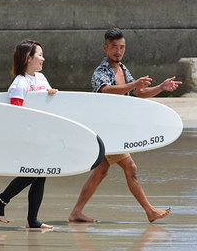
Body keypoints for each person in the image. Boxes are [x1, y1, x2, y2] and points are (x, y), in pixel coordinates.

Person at [69, 27, 182, 223]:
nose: (118, 51)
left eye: (122, 47)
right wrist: (133, 85)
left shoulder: (123, 68)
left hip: (117, 129)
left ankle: (76, 212)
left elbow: (138, 93)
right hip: (105, 129)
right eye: (114, 47)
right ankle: (149, 211)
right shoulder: (100, 71)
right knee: (130, 167)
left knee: (103, 170)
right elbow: (105, 91)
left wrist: (161, 88)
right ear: (105, 48)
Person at [0, 39, 58, 229]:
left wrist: (52, 95)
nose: (43, 59)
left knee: (41, 174)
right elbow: (16, 115)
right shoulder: (20, 84)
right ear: (29, 58)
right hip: (27, 137)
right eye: (40, 55)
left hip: (42, 135)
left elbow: (46, 105)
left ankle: (32, 220)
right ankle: (1, 202)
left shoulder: (41, 79)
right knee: (32, 174)